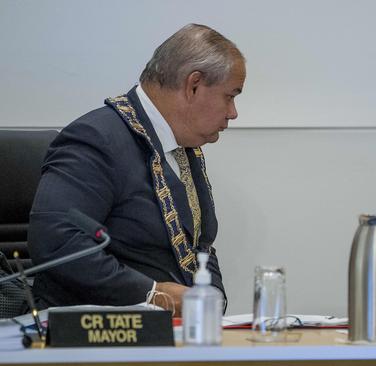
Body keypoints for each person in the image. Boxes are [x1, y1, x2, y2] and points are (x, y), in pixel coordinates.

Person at [28, 24, 246, 315]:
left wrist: (211, 302)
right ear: (193, 85)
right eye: (230, 96)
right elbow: (57, 242)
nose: (233, 112)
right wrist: (152, 294)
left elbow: (200, 247)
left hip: (175, 336)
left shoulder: (183, 146)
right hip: (96, 338)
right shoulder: (96, 138)